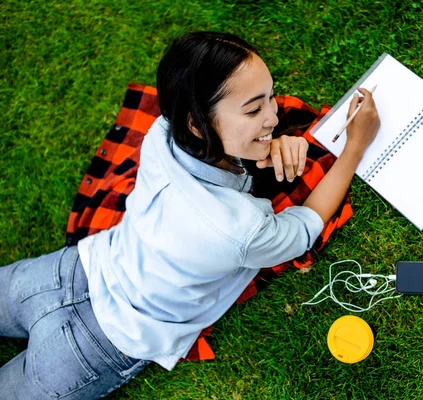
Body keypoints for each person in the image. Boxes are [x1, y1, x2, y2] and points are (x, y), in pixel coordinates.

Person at [0, 31, 380, 399]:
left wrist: (265, 146)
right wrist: (355, 147)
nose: (273, 116)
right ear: (197, 124)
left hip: (69, 271)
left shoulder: (162, 130)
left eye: (270, 97)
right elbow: (306, 225)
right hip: (100, 344)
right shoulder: (240, 231)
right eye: (254, 108)